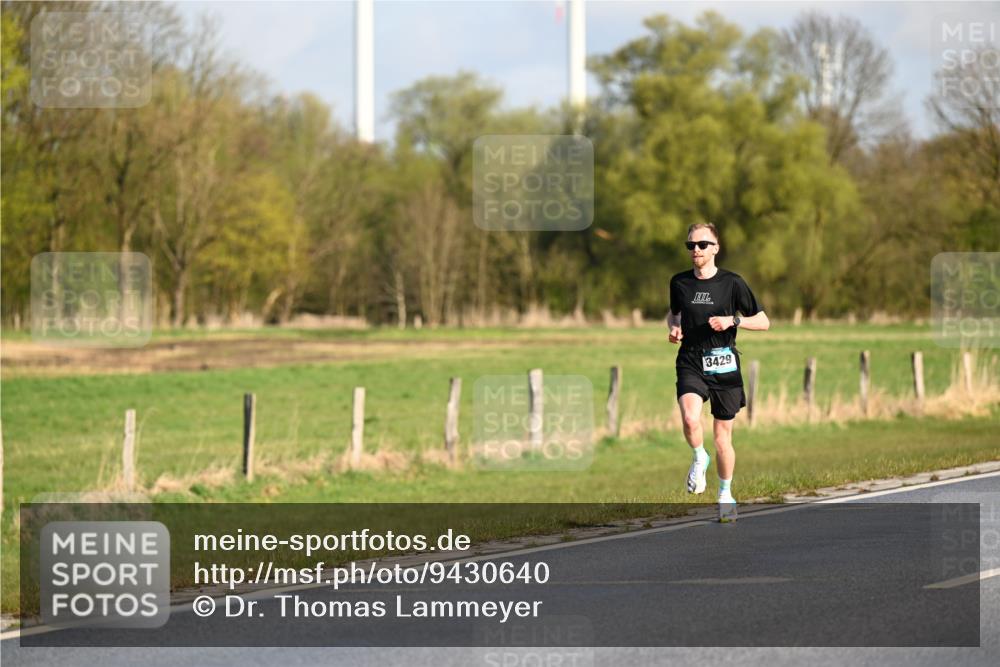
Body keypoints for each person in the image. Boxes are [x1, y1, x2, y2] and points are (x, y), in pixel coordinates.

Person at [667, 223, 770, 522]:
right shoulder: (679, 283)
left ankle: (725, 493)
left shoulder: (733, 283)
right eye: (690, 246)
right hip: (690, 360)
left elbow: (763, 322)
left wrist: (732, 322)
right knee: (689, 417)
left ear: (715, 248)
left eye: (701, 244)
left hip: (724, 362)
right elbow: (674, 313)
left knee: (723, 438)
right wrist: (673, 328)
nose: (695, 250)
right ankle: (699, 456)